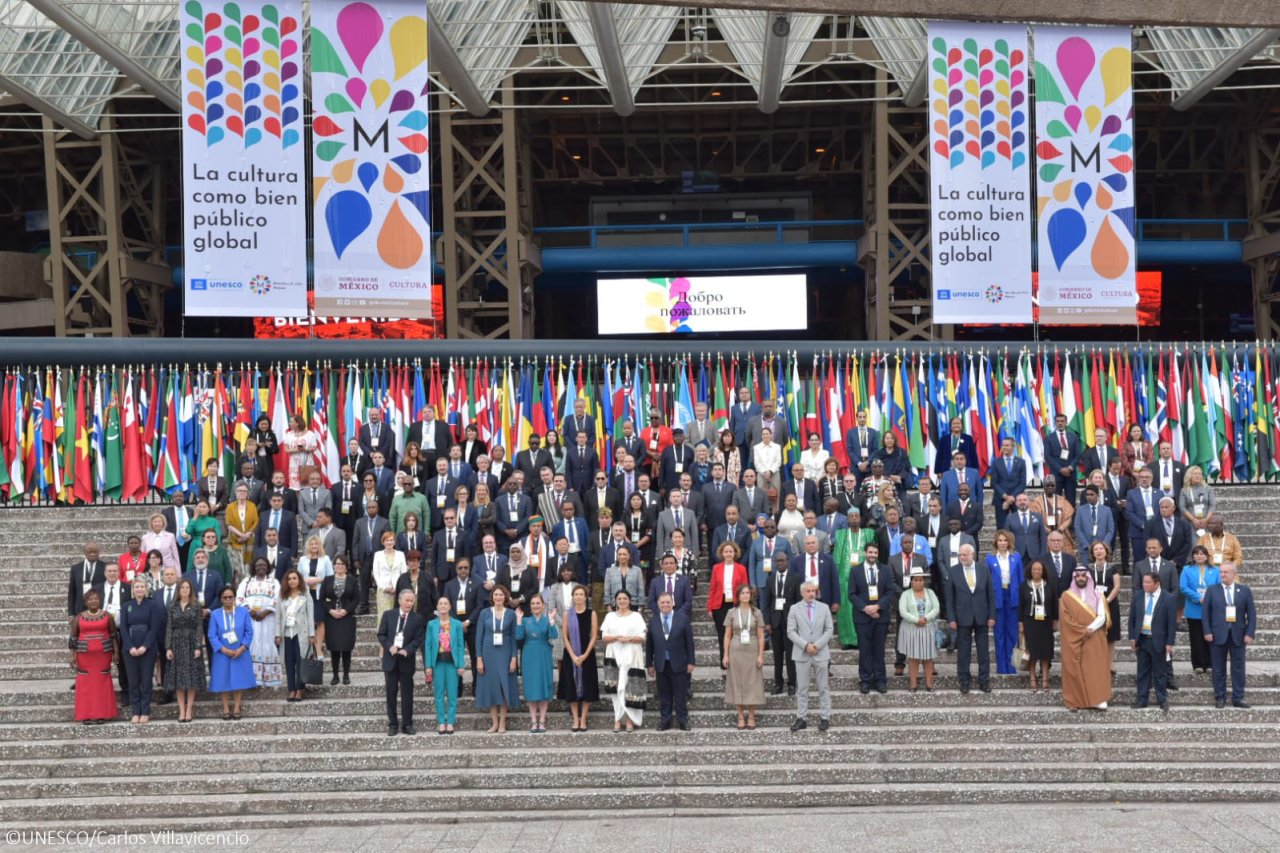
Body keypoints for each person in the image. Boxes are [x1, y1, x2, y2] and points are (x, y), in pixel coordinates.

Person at [1203, 563, 1256, 709]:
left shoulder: (1244, 590)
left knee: (1238, 668)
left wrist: (1250, 633)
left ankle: (1238, 698)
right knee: (1218, 668)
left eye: (1226, 572)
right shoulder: (1212, 590)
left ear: (1234, 573)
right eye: (1221, 572)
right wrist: (1207, 631)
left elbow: (1251, 614)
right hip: (1217, 635)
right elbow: (1205, 613)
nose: (1222, 575)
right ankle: (1220, 697)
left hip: (1238, 635)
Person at [1059, 568, 1111, 712]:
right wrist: (1082, 631)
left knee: (1095, 668)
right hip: (1073, 637)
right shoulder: (1066, 596)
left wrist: (1090, 629)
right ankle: (1075, 700)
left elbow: (1102, 616)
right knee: (1074, 667)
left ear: (1088, 577)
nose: (1081, 578)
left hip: (1094, 635)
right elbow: (1065, 619)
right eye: (1078, 576)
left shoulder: (1098, 595)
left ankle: (1098, 699)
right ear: (1074, 578)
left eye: (1083, 575)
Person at [947, 544, 994, 694]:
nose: (962, 557)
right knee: (963, 652)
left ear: (972, 555)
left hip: (981, 616)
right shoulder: (953, 571)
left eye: (965, 555)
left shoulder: (983, 569)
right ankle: (964, 681)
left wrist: (992, 615)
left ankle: (984, 681)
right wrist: (951, 618)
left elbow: (990, 594)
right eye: (960, 555)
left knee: (983, 651)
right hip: (962, 617)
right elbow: (949, 598)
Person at [848, 541, 894, 695]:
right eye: (870, 552)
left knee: (879, 650)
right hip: (862, 617)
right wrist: (866, 608)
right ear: (865, 553)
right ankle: (865, 680)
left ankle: (880, 680)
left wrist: (877, 607)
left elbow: (890, 592)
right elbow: (852, 594)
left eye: (875, 552)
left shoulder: (886, 570)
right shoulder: (855, 571)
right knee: (865, 650)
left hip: (881, 616)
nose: (873, 555)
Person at [378, 589, 426, 736]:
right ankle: (392, 724)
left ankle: (407, 724)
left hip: (406, 660)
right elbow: (381, 634)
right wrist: (389, 646)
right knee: (391, 693)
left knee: (407, 694)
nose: (409, 603)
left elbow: (418, 639)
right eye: (407, 600)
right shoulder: (388, 615)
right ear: (399, 600)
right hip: (390, 660)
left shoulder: (417, 618)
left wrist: (408, 650)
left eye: (412, 601)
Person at [118, 577, 165, 724]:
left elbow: (154, 628)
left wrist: (145, 646)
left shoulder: (153, 605)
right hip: (129, 648)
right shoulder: (126, 606)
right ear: (133, 589)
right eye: (136, 587)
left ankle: (145, 711)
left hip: (148, 648)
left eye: (142, 587)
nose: (139, 589)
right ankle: (135, 711)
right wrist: (130, 646)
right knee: (133, 682)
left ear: (146, 589)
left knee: (146, 681)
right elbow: (123, 629)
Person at [788, 582, 834, 731]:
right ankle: (801, 718)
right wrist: (806, 645)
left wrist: (817, 645)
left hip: (820, 653)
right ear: (802, 593)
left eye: (813, 591)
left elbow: (829, 630)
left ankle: (825, 717)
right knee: (802, 688)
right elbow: (791, 631)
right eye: (808, 591)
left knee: (823, 687)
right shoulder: (794, 609)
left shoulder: (824, 608)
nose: (811, 594)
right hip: (802, 653)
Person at [647, 591, 695, 731]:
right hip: (661, 664)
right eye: (662, 602)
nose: (665, 605)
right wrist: (649, 663)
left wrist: (691, 661)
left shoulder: (683, 619)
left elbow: (689, 642)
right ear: (658, 604)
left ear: (673, 603)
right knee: (664, 695)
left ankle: (683, 720)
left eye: (668, 602)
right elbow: (650, 644)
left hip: (679, 663)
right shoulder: (654, 620)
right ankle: (665, 721)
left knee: (680, 694)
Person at [1130, 571, 1177, 711]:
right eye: (1144, 582)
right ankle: (1141, 699)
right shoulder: (1138, 596)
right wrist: (1133, 637)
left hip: (1159, 640)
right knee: (1142, 672)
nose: (1145, 585)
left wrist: (1170, 642)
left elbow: (1171, 623)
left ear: (1157, 583)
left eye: (1148, 582)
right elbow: (1132, 618)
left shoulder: (1167, 598)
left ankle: (1162, 699)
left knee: (1160, 672)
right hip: (1142, 639)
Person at [601, 590, 648, 732]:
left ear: (629, 600)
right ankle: (617, 719)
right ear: (615, 601)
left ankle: (629, 720)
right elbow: (604, 636)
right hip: (614, 654)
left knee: (630, 688)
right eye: (619, 598)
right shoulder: (610, 616)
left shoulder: (636, 616)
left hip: (633, 654)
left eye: (625, 598)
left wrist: (629, 639)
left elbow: (642, 637)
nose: (622, 601)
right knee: (616, 690)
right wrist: (616, 638)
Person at [475, 585, 519, 733]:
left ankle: (502, 723)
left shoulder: (511, 614)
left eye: (501, 595)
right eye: (496, 595)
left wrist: (514, 658)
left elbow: (514, 638)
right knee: (491, 688)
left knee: (504, 686)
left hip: (505, 652)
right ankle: (494, 723)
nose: (498, 597)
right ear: (492, 597)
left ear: (505, 597)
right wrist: (479, 658)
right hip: (488, 653)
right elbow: (478, 637)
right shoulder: (484, 613)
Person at [70, 588, 118, 724]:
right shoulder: (78, 617)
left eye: (96, 598)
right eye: (90, 599)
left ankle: (101, 714)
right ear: (86, 602)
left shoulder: (108, 616)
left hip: (103, 655)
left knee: (101, 684)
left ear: (100, 600)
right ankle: (85, 715)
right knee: (85, 685)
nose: (93, 601)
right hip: (84, 657)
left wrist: (116, 653)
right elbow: (73, 638)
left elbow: (114, 636)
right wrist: (72, 656)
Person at [721, 584, 765, 729]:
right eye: (743, 593)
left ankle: (751, 715)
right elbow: (727, 635)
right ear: (738, 596)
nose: (745, 595)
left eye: (748, 593)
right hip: (735, 649)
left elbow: (760, 636)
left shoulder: (757, 613)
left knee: (752, 682)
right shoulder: (732, 612)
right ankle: (740, 716)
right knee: (736, 682)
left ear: (751, 596)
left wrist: (760, 655)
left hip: (752, 648)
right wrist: (725, 655)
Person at [208, 585, 256, 719]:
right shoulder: (215, 614)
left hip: (239, 652)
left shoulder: (243, 612)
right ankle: (225, 708)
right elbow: (212, 635)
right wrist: (223, 649)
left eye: (231, 597)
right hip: (222, 653)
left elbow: (249, 632)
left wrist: (242, 648)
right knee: (223, 679)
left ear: (235, 598)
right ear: (221, 599)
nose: (228, 600)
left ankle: (236, 707)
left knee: (238, 679)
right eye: (225, 597)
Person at [558, 584, 600, 732]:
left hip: (586, 654)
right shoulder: (567, 614)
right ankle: (575, 718)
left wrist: (585, 655)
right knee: (572, 687)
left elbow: (594, 635)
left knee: (588, 686)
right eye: (576, 594)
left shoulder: (591, 613)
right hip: (571, 655)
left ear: (586, 596)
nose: (578, 597)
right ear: (573, 597)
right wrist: (573, 655)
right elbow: (565, 635)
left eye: (581, 594)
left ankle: (583, 719)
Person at [162, 578, 204, 722]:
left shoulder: (197, 605)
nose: (185, 590)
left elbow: (199, 626)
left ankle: (189, 709)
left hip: (192, 642)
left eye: (187, 587)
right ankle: (181, 710)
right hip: (177, 643)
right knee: (179, 678)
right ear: (178, 590)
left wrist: (198, 646)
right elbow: (169, 627)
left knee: (191, 677)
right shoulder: (172, 606)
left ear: (190, 590)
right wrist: (168, 647)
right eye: (182, 587)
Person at [514, 593, 557, 733]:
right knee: (531, 687)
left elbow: (554, 635)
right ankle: (533, 721)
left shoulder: (546, 619)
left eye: (538, 603)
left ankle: (542, 721)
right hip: (529, 654)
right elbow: (518, 636)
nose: (535, 606)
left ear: (543, 605)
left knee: (544, 686)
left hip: (543, 653)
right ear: (530, 606)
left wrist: (551, 621)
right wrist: (519, 621)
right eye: (533, 604)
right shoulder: (526, 620)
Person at [236, 558, 282, 689]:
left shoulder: (274, 582)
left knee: (267, 644)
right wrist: (249, 611)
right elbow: (239, 597)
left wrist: (264, 613)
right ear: (253, 567)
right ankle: (252, 679)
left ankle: (268, 679)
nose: (261, 567)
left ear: (268, 567)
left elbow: (278, 598)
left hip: (268, 619)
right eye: (258, 565)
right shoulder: (247, 581)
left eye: (263, 565)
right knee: (251, 645)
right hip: (250, 619)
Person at [424, 596, 466, 735]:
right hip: (438, 663)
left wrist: (461, 664)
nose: (443, 606)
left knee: (452, 694)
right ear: (437, 606)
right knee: (439, 694)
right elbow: (428, 646)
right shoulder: (431, 624)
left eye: (445, 603)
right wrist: (428, 665)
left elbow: (460, 646)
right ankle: (441, 721)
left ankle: (451, 722)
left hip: (452, 663)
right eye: (440, 603)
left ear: (449, 607)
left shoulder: (457, 624)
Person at [986, 530, 1023, 676]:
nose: (1002, 543)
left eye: (1005, 540)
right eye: (1000, 540)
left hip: (1012, 598)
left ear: (1009, 542)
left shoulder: (1016, 557)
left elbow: (1021, 579)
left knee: (1013, 634)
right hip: (998, 598)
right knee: (999, 634)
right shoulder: (990, 559)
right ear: (996, 542)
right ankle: (1001, 667)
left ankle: (1012, 667)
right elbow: (987, 583)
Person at [897, 567, 940, 692]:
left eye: (921, 580)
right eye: (915, 580)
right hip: (911, 629)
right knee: (913, 657)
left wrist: (925, 618)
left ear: (924, 581)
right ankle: (913, 683)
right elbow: (902, 611)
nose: (918, 582)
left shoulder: (930, 593)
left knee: (928, 658)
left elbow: (936, 608)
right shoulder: (905, 594)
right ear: (911, 581)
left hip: (928, 629)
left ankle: (929, 683)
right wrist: (916, 620)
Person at [1180, 545, 1220, 675]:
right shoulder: (1187, 570)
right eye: (1196, 554)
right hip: (1194, 608)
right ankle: (1197, 664)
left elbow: (1219, 587)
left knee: (1210, 637)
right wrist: (1198, 598)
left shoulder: (1215, 570)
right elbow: (1183, 587)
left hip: (1210, 609)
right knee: (1195, 637)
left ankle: (1209, 663)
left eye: (1202, 553)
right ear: (1193, 556)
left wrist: (1208, 599)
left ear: (1207, 556)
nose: (1199, 556)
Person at [707, 542, 749, 668]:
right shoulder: (716, 568)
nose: (728, 554)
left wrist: (745, 605)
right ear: (722, 553)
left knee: (737, 633)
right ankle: (724, 662)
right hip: (720, 604)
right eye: (726, 551)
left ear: (735, 553)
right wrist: (709, 606)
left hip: (736, 604)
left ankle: (737, 662)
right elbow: (713, 588)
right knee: (722, 635)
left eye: (731, 551)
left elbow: (744, 588)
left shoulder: (741, 568)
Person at [1019, 560, 1058, 692]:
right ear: (1030, 571)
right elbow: (1020, 606)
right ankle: (1032, 678)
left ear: (1043, 571)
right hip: (1030, 622)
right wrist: (1020, 624)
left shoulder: (1050, 585)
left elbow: (1055, 606)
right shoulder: (1024, 586)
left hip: (1046, 622)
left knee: (1045, 652)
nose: (1036, 571)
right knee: (1032, 652)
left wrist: (1055, 621)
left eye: (1039, 569)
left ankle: (1045, 679)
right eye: (1034, 569)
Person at [276, 568, 315, 702]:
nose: (292, 581)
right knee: (289, 662)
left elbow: (310, 615)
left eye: (294, 578)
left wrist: (312, 634)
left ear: (299, 580)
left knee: (301, 661)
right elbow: (278, 616)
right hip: (286, 633)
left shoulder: (305, 594)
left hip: (301, 633)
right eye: (289, 579)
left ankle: (299, 689)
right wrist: (277, 634)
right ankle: (291, 689)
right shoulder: (282, 596)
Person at [1086, 541, 1122, 672]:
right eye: (1096, 549)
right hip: (1093, 606)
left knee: (1111, 636)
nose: (1099, 551)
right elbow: (1087, 587)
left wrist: (1106, 600)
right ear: (1092, 553)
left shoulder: (1113, 568)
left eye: (1101, 548)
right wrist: (1095, 602)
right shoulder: (1088, 569)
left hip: (1110, 605)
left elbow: (1117, 586)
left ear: (1106, 551)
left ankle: (1109, 665)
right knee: (1095, 634)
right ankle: (1097, 663)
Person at [1043, 414, 1082, 503]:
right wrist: (1060, 469)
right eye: (1058, 421)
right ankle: (1058, 517)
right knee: (1056, 501)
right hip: (1056, 475)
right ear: (1055, 422)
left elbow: (1078, 454)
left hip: (1070, 474)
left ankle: (1071, 517)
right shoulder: (1049, 438)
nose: (1060, 423)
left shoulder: (1074, 437)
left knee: (1071, 502)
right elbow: (1047, 457)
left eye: (1062, 421)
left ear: (1066, 422)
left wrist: (1070, 468)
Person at [371, 531, 406, 620]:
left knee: (397, 616)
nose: (389, 542)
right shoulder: (378, 555)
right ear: (383, 542)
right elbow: (376, 573)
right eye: (387, 540)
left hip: (397, 590)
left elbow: (404, 572)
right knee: (383, 616)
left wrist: (397, 587)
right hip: (383, 590)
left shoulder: (400, 554)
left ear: (394, 542)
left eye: (391, 540)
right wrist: (383, 587)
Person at [604, 545, 645, 613]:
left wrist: (640, 607)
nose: (622, 556)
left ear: (629, 556)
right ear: (617, 556)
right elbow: (607, 591)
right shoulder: (609, 571)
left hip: (633, 606)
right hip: (615, 606)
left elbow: (640, 590)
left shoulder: (637, 570)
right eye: (620, 554)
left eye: (624, 554)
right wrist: (609, 607)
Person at [282, 414, 318, 489]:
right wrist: (295, 450)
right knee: (295, 487)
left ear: (297, 423)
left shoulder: (310, 434)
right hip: (294, 464)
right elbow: (286, 449)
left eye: (291, 422)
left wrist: (305, 449)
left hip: (306, 463)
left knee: (307, 486)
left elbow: (314, 447)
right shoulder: (289, 434)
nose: (290, 423)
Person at [1177, 465, 1216, 533]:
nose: (1197, 476)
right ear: (1190, 476)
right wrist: (1193, 519)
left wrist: (1206, 520)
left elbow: (1212, 505)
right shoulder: (1184, 490)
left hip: (1205, 522)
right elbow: (1182, 507)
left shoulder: (1208, 489)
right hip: (1189, 522)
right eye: (1195, 474)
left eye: (1199, 474)